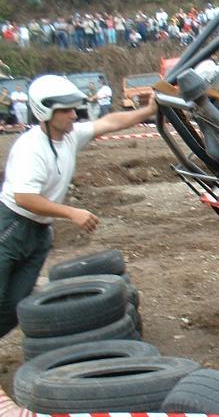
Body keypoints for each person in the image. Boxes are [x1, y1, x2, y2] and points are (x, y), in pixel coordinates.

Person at [0, 75, 157, 338]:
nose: (74, 114)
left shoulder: (69, 137)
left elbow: (109, 122)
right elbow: (24, 197)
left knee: (12, 308)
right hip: (11, 227)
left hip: (38, 232)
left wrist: (148, 111)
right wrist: (71, 212)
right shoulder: (31, 148)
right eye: (66, 110)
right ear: (46, 111)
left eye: (74, 108)